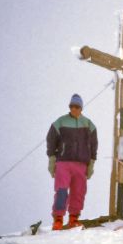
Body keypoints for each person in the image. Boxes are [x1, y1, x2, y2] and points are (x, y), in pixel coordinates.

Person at [46, 93, 98, 231]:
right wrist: (52, 160)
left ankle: (73, 218)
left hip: (81, 164)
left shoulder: (88, 124)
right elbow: (51, 140)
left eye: (77, 106)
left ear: (81, 108)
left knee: (79, 192)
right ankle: (58, 219)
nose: (74, 109)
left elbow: (94, 145)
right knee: (62, 191)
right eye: (72, 106)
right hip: (63, 163)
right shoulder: (60, 122)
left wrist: (91, 163)